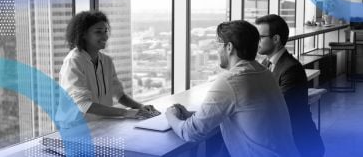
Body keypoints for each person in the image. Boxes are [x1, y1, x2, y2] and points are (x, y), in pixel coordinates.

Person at [165, 20, 299, 157]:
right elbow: (242, 111)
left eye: (218, 45)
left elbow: (190, 132)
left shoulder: (230, 81)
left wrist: (170, 115)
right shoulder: (264, 73)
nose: (217, 50)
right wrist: (191, 115)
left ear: (229, 47)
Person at [56, 11, 160, 127]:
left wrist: (140, 106)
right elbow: (83, 104)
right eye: (98, 32)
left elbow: (119, 95)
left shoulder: (106, 61)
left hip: (101, 124)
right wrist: (127, 113)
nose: (105, 36)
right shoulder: (73, 61)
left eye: (106, 31)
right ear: (83, 34)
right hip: (76, 130)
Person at [255, 14, 325, 157]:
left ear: (275, 39)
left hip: (300, 144)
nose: (257, 41)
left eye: (260, 37)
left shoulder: (291, 69)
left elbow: (279, 108)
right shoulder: (266, 63)